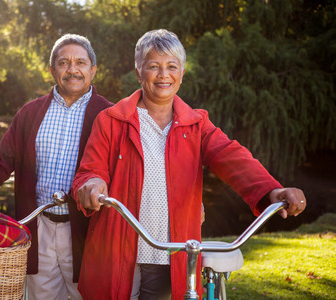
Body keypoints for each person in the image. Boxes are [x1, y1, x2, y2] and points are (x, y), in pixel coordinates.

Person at [71, 29, 306, 300]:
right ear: (139, 72)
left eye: (172, 66)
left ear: (181, 74)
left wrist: (272, 192)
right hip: (115, 250)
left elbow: (231, 156)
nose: (163, 74)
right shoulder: (111, 120)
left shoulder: (196, 124)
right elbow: (90, 171)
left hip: (170, 251)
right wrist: (92, 184)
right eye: (153, 66)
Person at [0, 34, 113, 300]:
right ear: (52, 69)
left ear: (93, 70)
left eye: (81, 63)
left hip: (89, 235)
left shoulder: (110, 115)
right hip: (37, 231)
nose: (72, 69)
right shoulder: (30, 113)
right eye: (63, 62)